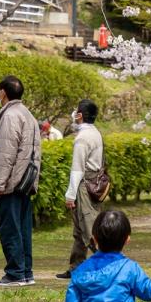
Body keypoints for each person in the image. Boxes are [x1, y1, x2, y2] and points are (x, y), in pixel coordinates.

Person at [0, 75, 42, 287]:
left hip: (12, 182)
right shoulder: (28, 115)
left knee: (10, 229)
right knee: (23, 228)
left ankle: (15, 273)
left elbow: (5, 154)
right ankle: (25, 271)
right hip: (26, 182)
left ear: (3, 92)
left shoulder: (10, 116)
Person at [57, 98, 106, 280]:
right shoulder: (95, 133)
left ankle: (108, 265)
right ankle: (75, 267)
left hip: (84, 186)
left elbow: (77, 168)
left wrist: (70, 195)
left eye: (75, 111)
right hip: (93, 183)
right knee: (80, 230)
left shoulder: (82, 138)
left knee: (89, 230)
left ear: (79, 116)